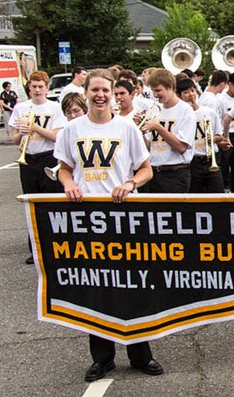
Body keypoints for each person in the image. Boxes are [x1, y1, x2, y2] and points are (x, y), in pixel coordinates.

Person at [53, 68, 162, 382]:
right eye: (95, 90)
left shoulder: (127, 128)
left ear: (114, 94)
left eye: (106, 90)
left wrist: (129, 183)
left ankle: (141, 354)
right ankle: (102, 358)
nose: (100, 95)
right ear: (86, 92)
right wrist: (68, 184)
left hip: (124, 216)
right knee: (96, 286)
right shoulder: (71, 130)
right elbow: (64, 169)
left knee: (133, 283)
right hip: (88, 218)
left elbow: (145, 170)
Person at [9, 70, 67, 264]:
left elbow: (56, 136)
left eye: (40, 86)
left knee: (51, 203)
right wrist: (21, 133)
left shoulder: (55, 107)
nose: (36, 90)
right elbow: (14, 138)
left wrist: (34, 128)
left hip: (48, 158)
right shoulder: (21, 107)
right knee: (31, 202)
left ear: (47, 88)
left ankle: (55, 247)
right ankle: (35, 249)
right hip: (28, 159)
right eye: (33, 87)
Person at [142, 68, 196, 193]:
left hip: (175, 174)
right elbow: (150, 146)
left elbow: (181, 147)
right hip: (154, 172)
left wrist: (158, 127)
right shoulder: (155, 109)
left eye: (158, 90)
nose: (155, 95)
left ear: (170, 87)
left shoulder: (185, 110)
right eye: (153, 91)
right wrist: (140, 131)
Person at [176, 78, 226, 193]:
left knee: (218, 192)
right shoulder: (180, 115)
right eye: (186, 92)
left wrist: (211, 139)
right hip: (193, 161)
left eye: (192, 90)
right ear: (179, 95)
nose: (191, 94)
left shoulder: (209, 112)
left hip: (210, 158)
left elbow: (220, 135)